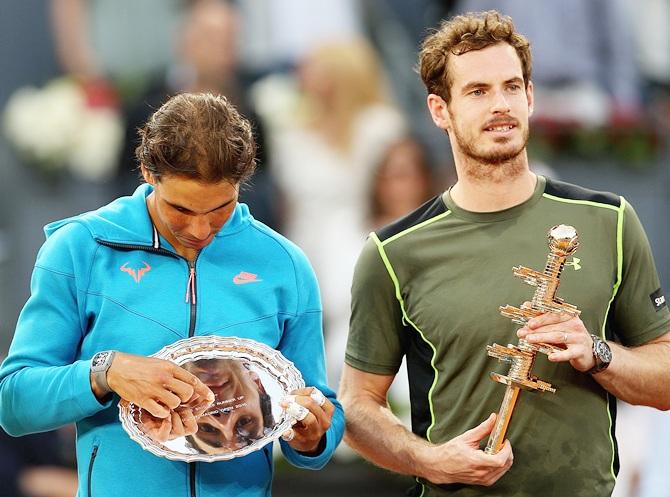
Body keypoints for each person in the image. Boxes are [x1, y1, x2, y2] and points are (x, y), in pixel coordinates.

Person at [339, 10, 670, 497]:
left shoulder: (610, 220)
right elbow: (358, 404)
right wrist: (429, 460)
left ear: (531, 97)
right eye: (477, 91)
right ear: (439, 110)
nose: (501, 105)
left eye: (512, 87)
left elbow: (663, 378)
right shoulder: (393, 252)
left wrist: (598, 354)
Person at [0, 92, 344, 497]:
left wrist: (313, 437)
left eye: (220, 208)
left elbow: (324, 406)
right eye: (181, 209)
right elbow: (15, 403)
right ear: (147, 172)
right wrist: (104, 373)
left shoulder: (284, 263)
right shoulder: (80, 248)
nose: (200, 230)